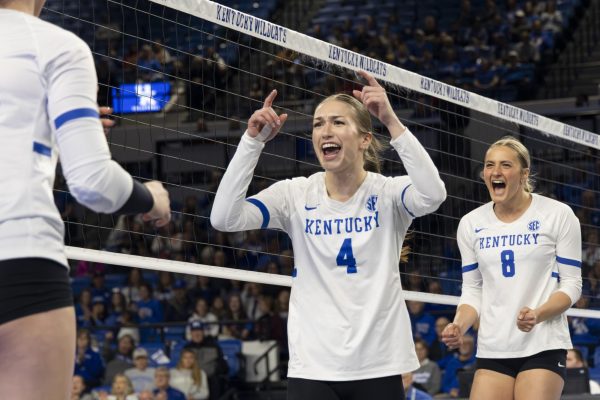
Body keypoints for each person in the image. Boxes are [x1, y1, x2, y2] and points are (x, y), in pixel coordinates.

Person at [210, 70, 446, 399]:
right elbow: (223, 218)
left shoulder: (389, 194)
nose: (325, 131)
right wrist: (252, 143)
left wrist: (391, 120)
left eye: (337, 122)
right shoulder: (294, 194)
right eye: (318, 124)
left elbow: (434, 194)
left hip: (378, 363)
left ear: (364, 138)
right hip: (313, 366)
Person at [0, 1, 171, 399]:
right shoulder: (58, 47)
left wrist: (57, 128)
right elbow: (93, 182)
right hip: (18, 258)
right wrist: (153, 199)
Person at [442, 136, 582, 400]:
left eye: (506, 165)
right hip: (494, 347)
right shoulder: (471, 223)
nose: (496, 172)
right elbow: (473, 290)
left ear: (524, 173)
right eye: (489, 165)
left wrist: (539, 314)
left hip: (543, 343)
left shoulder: (557, 214)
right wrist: (459, 325)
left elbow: (573, 285)